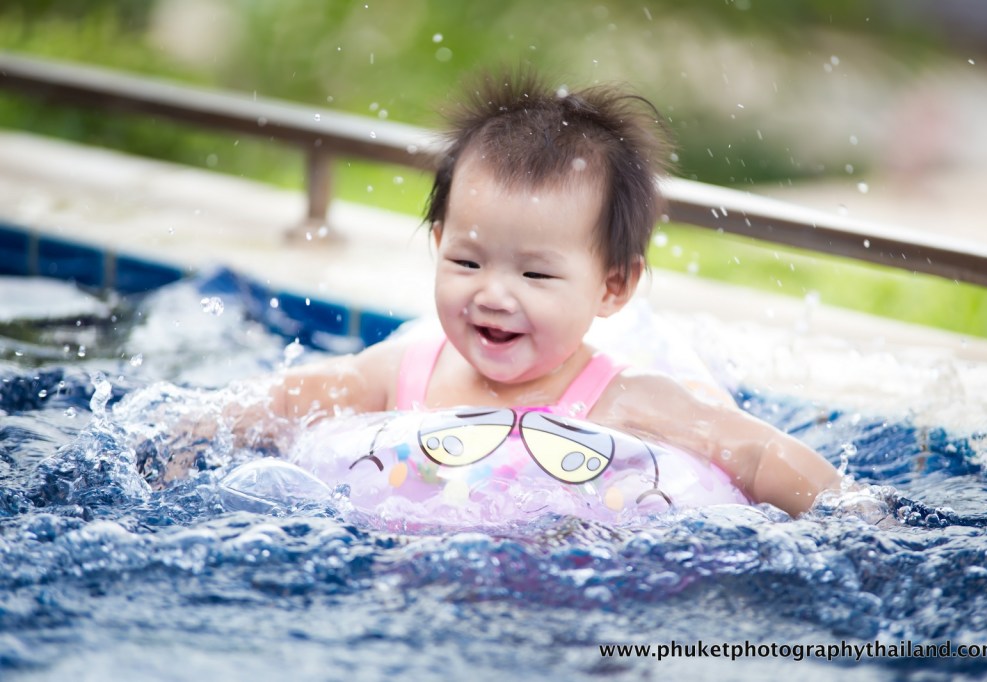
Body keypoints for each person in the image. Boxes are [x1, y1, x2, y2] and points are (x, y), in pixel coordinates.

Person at [228, 69, 843, 518]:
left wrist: (855, 514)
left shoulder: (626, 398)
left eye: (536, 275)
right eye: (467, 261)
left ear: (612, 286)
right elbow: (282, 402)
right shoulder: (401, 371)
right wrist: (195, 431)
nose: (494, 294)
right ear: (438, 244)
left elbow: (757, 453)